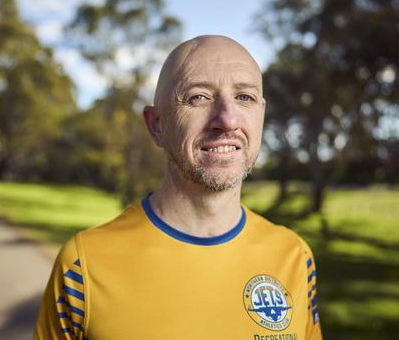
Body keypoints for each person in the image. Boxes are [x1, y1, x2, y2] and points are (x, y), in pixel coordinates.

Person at [33, 35, 322, 340]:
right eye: (199, 97)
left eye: (245, 97)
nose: (227, 119)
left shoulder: (295, 257)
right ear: (156, 125)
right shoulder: (83, 266)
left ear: (261, 114)